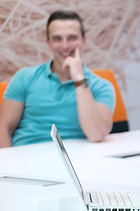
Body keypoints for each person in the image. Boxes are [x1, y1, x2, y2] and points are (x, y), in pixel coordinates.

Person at [0, 10, 115, 147]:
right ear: (48, 42)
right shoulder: (24, 77)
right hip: (27, 160)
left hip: (78, 163)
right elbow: (3, 128)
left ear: (83, 41)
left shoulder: (101, 86)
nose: (65, 46)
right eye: (57, 39)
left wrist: (79, 79)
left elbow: (96, 134)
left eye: (72, 38)